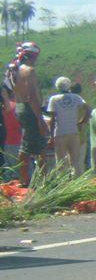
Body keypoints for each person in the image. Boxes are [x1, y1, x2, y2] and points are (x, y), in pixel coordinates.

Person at [5, 42, 49, 186]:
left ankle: (29, 179)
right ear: (34, 56)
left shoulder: (15, 70)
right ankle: (37, 181)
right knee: (38, 147)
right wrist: (40, 119)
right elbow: (32, 96)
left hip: (20, 107)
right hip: (30, 109)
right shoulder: (29, 70)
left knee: (30, 144)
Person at [46, 77, 88, 175]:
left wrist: (51, 137)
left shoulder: (54, 99)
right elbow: (88, 109)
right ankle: (76, 182)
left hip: (60, 133)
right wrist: (82, 121)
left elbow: (52, 120)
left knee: (61, 162)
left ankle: (63, 184)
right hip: (74, 132)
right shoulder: (76, 98)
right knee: (75, 161)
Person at [2, 97, 20, 181]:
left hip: (10, 143)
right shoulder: (18, 106)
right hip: (18, 142)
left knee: (13, 171)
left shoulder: (7, 107)